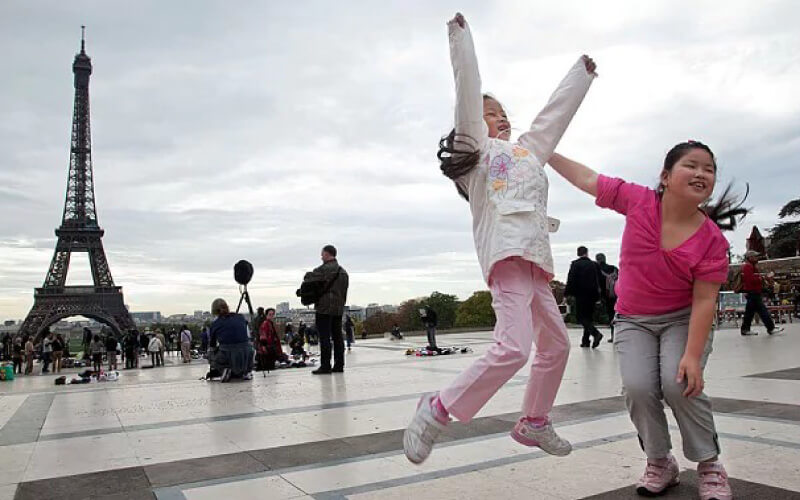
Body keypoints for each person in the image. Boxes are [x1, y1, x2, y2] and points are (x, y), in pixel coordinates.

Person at [403, 13, 595, 465]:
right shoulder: (478, 154)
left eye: (504, 112)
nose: (500, 117)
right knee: (513, 346)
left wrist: (581, 77)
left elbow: (553, 117)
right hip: (506, 256)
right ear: (473, 125)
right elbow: (467, 91)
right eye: (491, 114)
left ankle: (534, 421)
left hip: (534, 261)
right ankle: (438, 408)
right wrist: (460, 38)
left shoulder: (528, 152)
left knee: (557, 344)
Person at [547, 140, 748, 499]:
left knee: (680, 384)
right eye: (692, 165)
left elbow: (705, 300)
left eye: (709, 169)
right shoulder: (640, 202)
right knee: (639, 388)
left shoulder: (712, 240)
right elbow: (586, 177)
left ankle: (709, 463)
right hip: (633, 319)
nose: (702, 173)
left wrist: (691, 355)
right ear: (666, 177)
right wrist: (544, 149)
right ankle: (660, 461)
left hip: (682, 319)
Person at [303, 245, 350, 375]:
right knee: (338, 337)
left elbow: (308, 279)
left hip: (324, 308)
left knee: (324, 337)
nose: (321, 256)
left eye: (322, 254)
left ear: (327, 254)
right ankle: (339, 365)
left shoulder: (323, 270)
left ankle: (325, 366)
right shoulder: (343, 272)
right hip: (338, 308)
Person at [565, 246, 603, 348]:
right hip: (593, 295)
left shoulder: (575, 264)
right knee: (588, 318)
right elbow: (600, 280)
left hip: (581, 294)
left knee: (581, 317)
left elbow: (571, 279)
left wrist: (567, 294)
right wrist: (600, 296)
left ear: (578, 253)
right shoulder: (594, 265)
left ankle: (596, 334)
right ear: (587, 253)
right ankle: (585, 341)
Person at [209, 298, 254, 382]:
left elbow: (212, 345)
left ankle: (223, 369)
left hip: (228, 353)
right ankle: (246, 371)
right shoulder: (240, 317)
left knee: (212, 353)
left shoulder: (216, 324)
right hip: (247, 352)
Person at [740, 250, 784, 335]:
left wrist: (762, 278)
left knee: (749, 313)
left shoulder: (752, 266)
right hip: (753, 292)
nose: (757, 258)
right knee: (763, 311)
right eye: (755, 256)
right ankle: (771, 328)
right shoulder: (748, 267)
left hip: (753, 292)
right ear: (750, 257)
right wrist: (763, 278)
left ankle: (745, 329)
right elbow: (751, 280)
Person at [595, 253, 619, 342]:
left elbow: (597, 285)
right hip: (617, 295)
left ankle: (613, 336)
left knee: (610, 315)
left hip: (606, 296)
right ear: (605, 259)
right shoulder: (614, 268)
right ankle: (618, 335)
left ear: (597, 260)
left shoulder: (598, 270)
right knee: (618, 315)